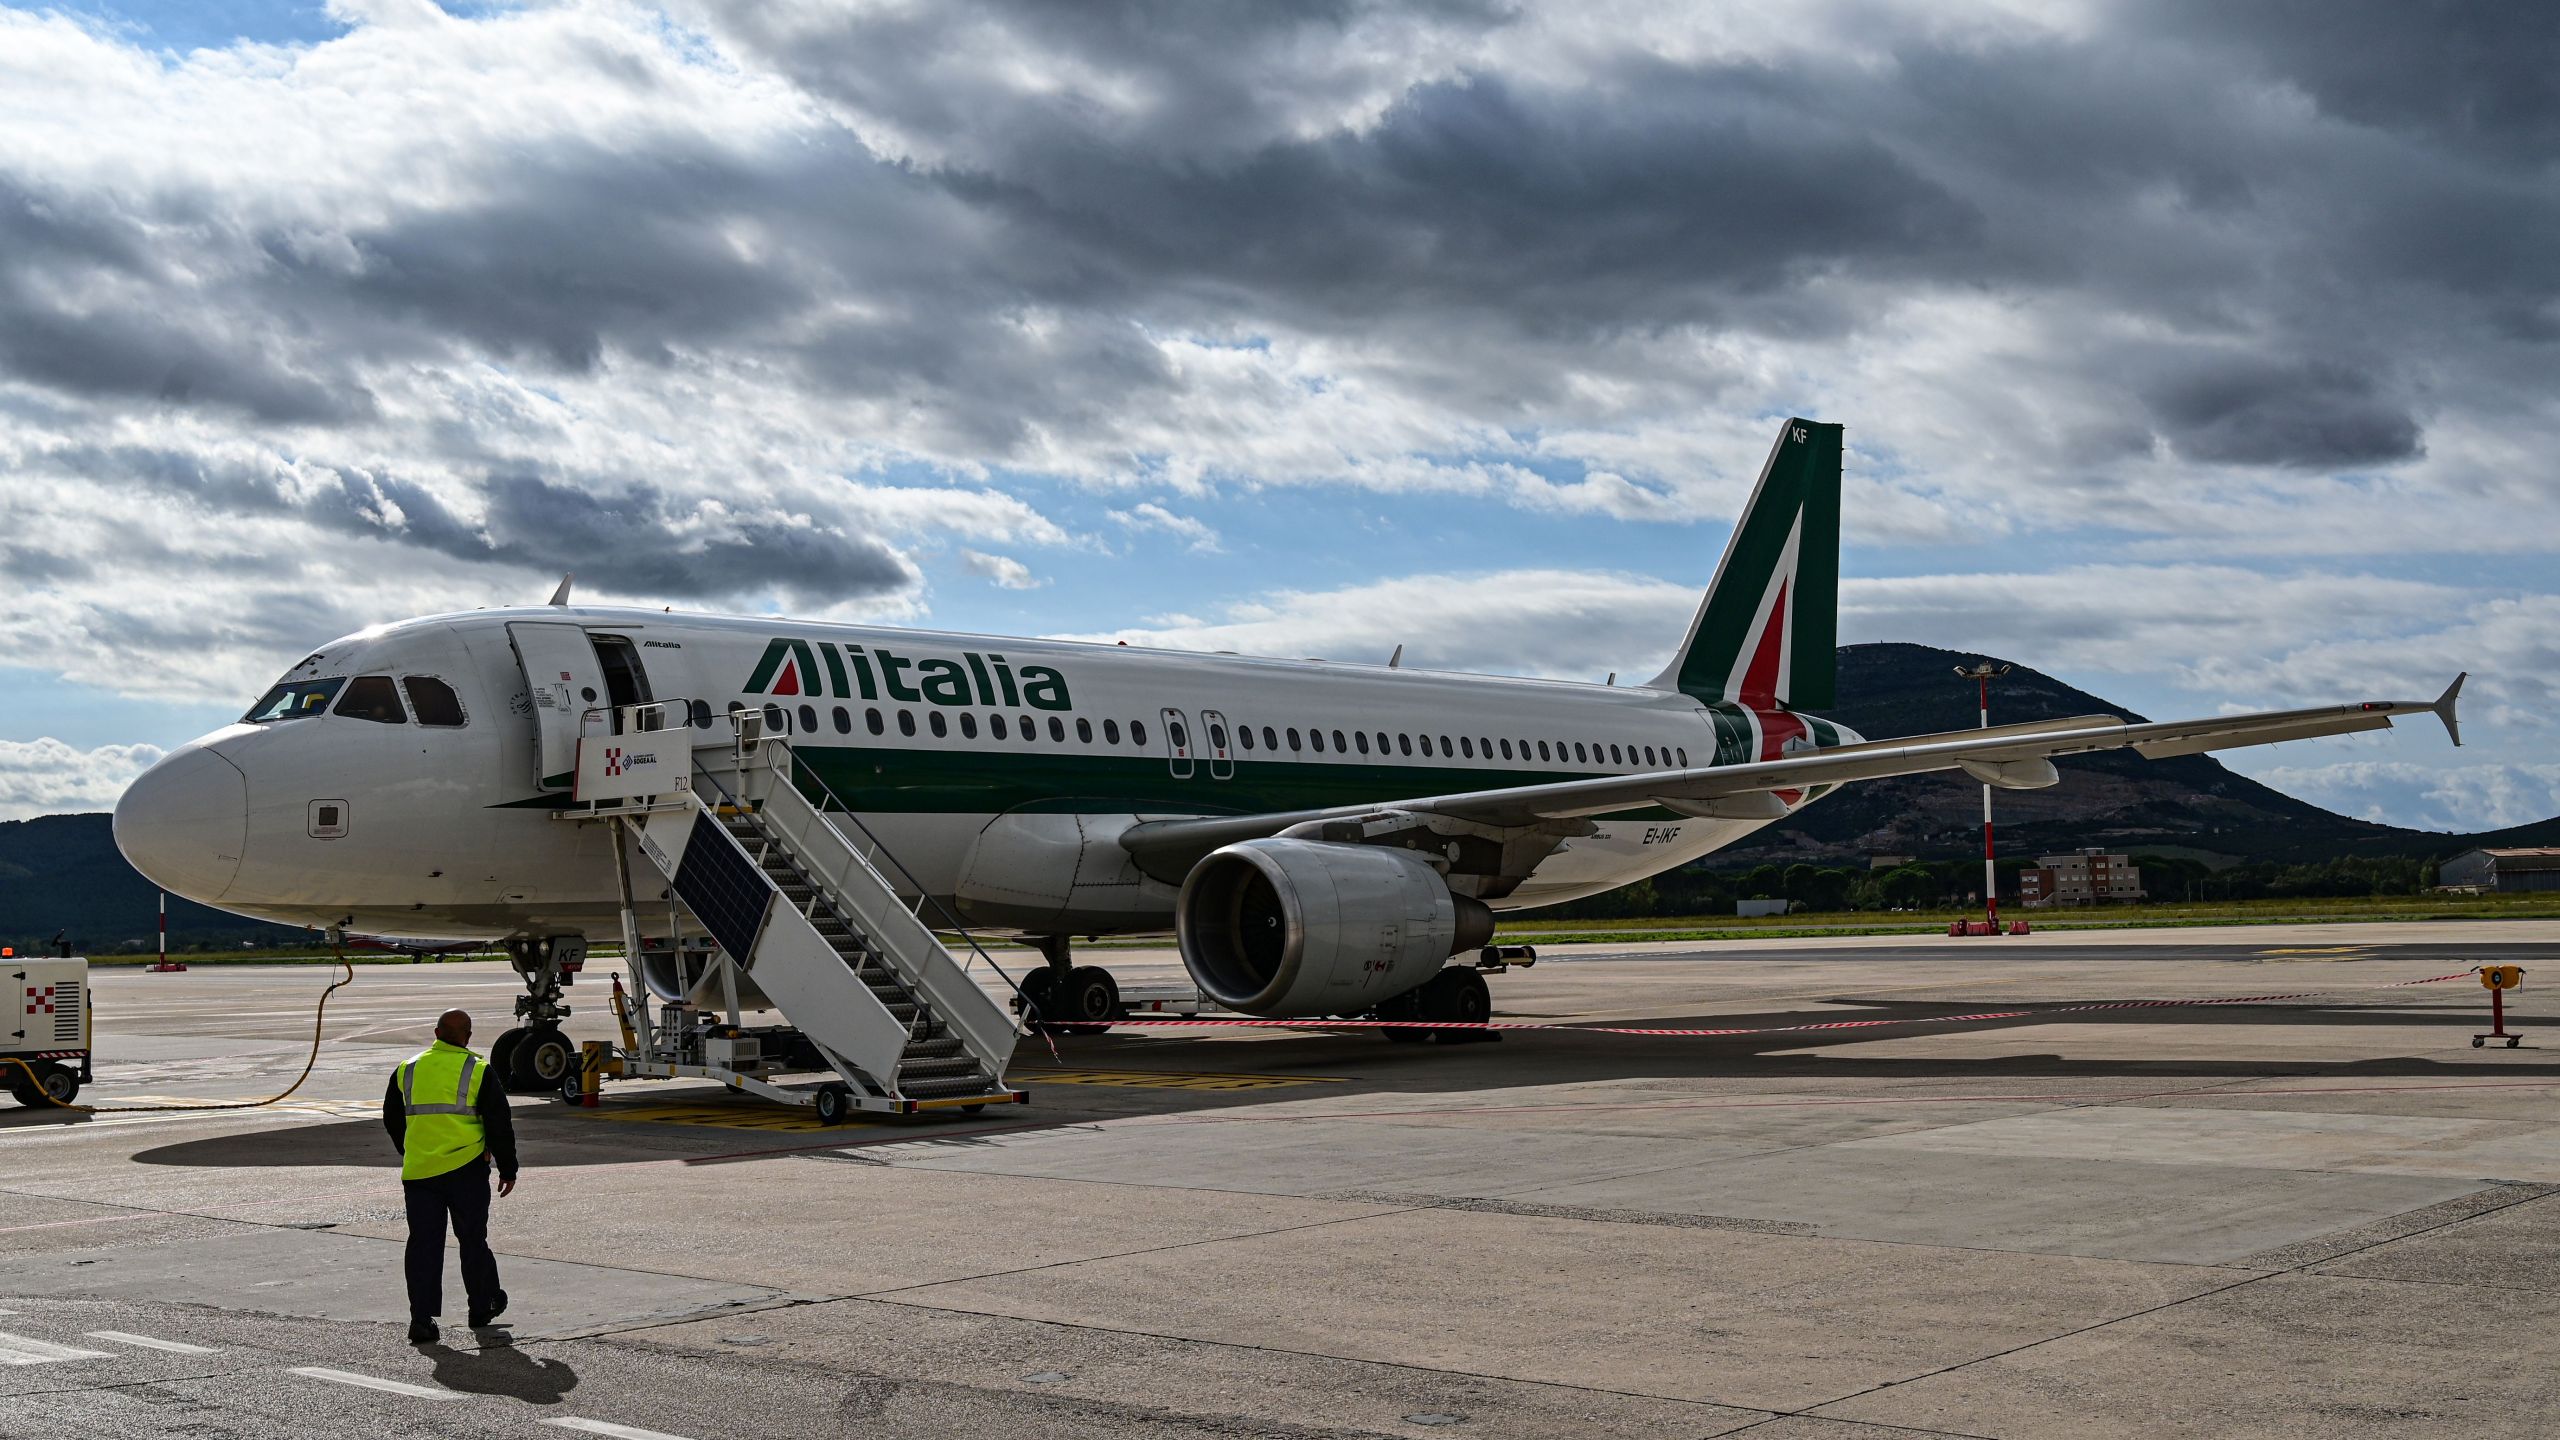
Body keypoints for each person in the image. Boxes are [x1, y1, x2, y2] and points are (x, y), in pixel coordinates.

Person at [382, 1009, 517, 1344]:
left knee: (423, 1245)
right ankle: (482, 1305)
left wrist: (411, 1149)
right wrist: (508, 1166)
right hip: (465, 1169)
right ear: (468, 1036)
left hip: (420, 1172)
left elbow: (392, 1118)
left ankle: (421, 1320)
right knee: (472, 1239)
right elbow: (499, 1122)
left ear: (436, 1032)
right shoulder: (478, 1069)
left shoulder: (407, 1068)